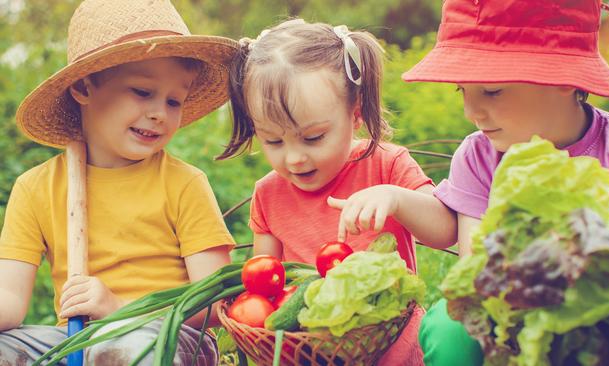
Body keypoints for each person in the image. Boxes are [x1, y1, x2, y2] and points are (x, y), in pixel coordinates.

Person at [398, 0, 609, 364]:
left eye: (492, 91)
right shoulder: (478, 156)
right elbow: (476, 269)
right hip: (508, 309)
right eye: (462, 91)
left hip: (603, 313)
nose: (471, 112)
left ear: (565, 79)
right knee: (449, 328)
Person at [0, 0, 238, 364]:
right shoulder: (36, 188)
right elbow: (10, 299)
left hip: (167, 336)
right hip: (76, 339)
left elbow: (214, 305)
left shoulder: (183, 183)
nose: (160, 112)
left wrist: (119, 308)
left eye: (175, 101)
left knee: (125, 347)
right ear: (83, 87)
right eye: (143, 92)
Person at [217, 19, 457, 365]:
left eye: (313, 138)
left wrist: (396, 199)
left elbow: (446, 232)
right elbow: (265, 288)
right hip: (309, 353)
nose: (295, 158)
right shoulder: (268, 193)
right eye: (273, 140)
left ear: (355, 114)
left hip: (394, 347)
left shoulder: (387, 165)